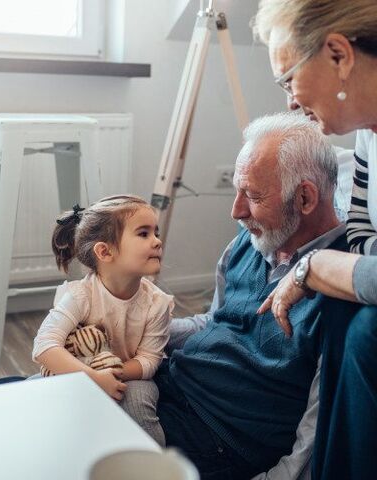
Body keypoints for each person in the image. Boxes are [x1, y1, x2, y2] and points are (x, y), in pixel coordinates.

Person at [122, 112, 346, 480]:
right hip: (169, 386)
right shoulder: (249, 240)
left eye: (253, 196)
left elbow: (317, 428)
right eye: (237, 191)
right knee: (29, 398)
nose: (236, 211)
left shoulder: (340, 289)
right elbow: (215, 321)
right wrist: (132, 331)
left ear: (305, 197)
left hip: (221, 439)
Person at [252, 2, 377, 478]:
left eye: (288, 80)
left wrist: (317, 265)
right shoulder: (368, 135)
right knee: (346, 306)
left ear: (339, 55)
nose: (287, 100)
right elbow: (363, 228)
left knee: (367, 330)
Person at [32, 195, 173, 445]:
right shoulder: (80, 295)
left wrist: (112, 375)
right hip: (79, 373)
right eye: (143, 234)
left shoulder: (157, 303)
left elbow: (150, 360)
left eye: (156, 232)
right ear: (105, 251)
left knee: (139, 402)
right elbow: (44, 346)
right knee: (33, 394)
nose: (157, 241)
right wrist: (93, 377)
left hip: (129, 378)